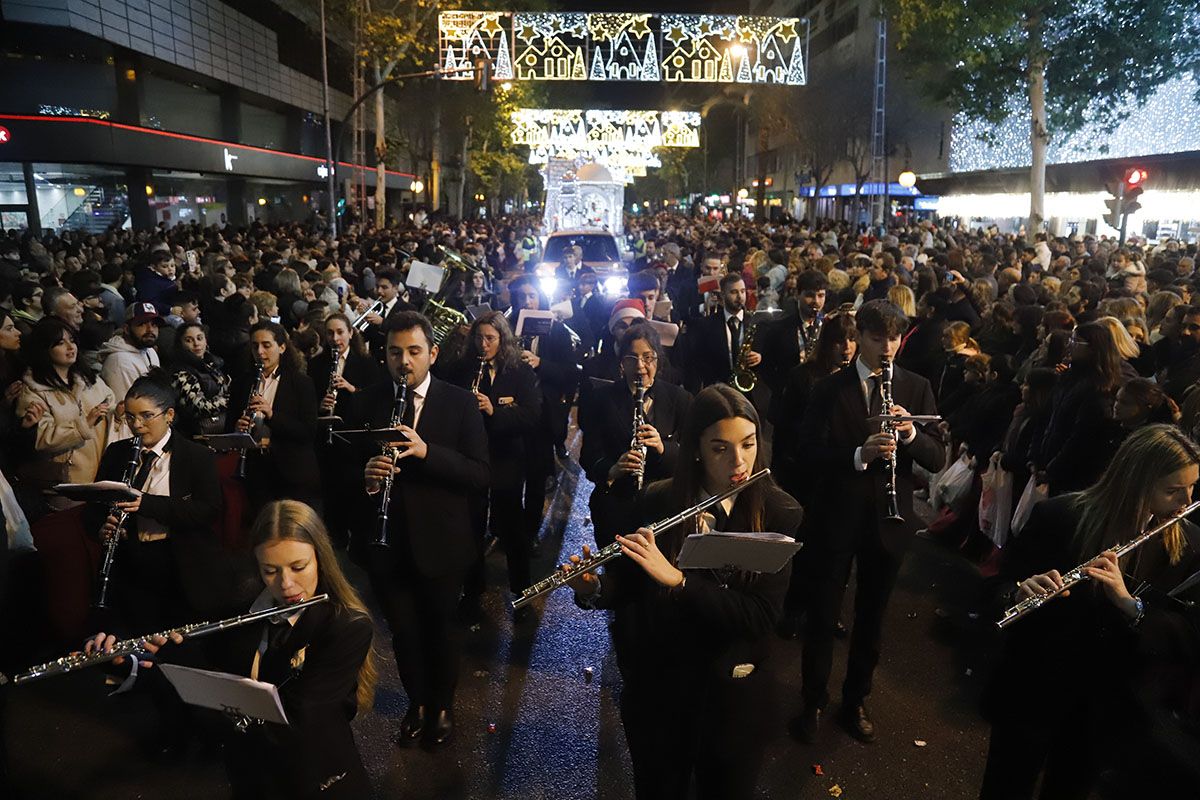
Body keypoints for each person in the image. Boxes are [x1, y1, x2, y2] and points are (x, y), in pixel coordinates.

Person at [565, 384, 802, 800]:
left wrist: (680, 582)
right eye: (720, 448)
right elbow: (630, 582)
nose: (739, 461)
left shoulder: (779, 511)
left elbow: (761, 616)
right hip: (662, 688)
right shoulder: (658, 500)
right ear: (695, 450)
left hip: (732, 693)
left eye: (748, 445)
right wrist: (594, 587)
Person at [86, 500, 377, 799]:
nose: (286, 584)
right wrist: (134, 663)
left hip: (315, 774)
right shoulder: (244, 606)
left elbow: (292, 719)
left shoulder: (346, 626)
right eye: (270, 570)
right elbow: (206, 676)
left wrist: (200, 685)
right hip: (250, 772)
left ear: (320, 558)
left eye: (298, 567)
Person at [981, 425, 1200, 799]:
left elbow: (1186, 631)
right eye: (1172, 489)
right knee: (1006, 786)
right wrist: (1018, 592)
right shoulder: (1060, 515)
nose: (1186, 500)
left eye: (1192, 487)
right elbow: (997, 586)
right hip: (1036, 687)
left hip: (1107, 705)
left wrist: (1131, 605)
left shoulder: (1189, 542)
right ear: (1135, 481)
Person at [794, 299, 945, 744]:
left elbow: (937, 458)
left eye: (894, 338)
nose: (887, 348)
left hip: (889, 520)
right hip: (835, 517)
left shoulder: (916, 388)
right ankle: (812, 700)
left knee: (872, 619)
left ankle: (855, 698)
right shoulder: (828, 389)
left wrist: (912, 434)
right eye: (877, 338)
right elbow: (805, 456)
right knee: (823, 615)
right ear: (859, 336)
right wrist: (859, 454)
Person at [356, 311, 489, 749]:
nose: (404, 361)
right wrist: (367, 479)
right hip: (387, 542)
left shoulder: (459, 402)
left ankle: (442, 705)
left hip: (442, 543)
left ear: (431, 353)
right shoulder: (369, 400)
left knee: (440, 628)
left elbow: (478, 473)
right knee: (404, 632)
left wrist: (428, 452)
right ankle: (416, 702)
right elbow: (341, 472)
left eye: (414, 351)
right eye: (395, 352)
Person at [85, 373, 225, 628]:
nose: (136, 424)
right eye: (130, 416)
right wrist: (102, 527)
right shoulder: (117, 453)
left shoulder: (197, 456)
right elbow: (93, 509)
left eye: (146, 416)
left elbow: (209, 510)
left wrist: (147, 504)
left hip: (179, 563)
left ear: (169, 415)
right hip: (130, 564)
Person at [449, 311, 540, 614]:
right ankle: (472, 593)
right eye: (478, 337)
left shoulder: (520, 372)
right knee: (472, 527)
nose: (483, 344)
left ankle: (523, 592)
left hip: (506, 459)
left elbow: (531, 416)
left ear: (502, 340)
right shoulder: (462, 370)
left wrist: (493, 411)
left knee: (513, 530)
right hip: (472, 457)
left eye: (490, 338)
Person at [580, 324, 692, 547]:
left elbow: (693, 456)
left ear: (658, 360)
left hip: (664, 507)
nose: (640, 366)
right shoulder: (602, 399)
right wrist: (613, 469)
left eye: (647, 357)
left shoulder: (680, 398)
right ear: (622, 363)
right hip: (616, 507)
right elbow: (588, 456)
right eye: (632, 358)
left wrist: (663, 448)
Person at [16, 318, 115, 506]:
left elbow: (109, 399)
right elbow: (41, 439)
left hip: (99, 472)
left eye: (72, 340)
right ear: (45, 349)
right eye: (60, 343)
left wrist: (114, 408)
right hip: (65, 484)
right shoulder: (33, 392)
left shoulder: (85, 378)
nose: (71, 347)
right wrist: (85, 424)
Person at [228, 321, 320, 515]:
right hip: (256, 471)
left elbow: (308, 431)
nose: (260, 352)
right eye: (255, 346)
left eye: (266, 345)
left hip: (292, 471)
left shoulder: (301, 383)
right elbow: (229, 426)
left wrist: (271, 415)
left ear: (282, 347)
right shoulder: (242, 383)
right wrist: (237, 427)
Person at [100, 302, 163, 440]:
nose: (150, 329)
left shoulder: (149, 351)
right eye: (142, 324)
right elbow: (125, 413)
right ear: (127, 329)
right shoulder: (119, 360)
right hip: (130, 433)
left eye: (154, 324)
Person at [170, 321, 230, 438]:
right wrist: (228, 401)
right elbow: (199, 407)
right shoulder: (180, 372)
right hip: (194, 435)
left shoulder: (212, 365)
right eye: (189, 340)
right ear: (180, 344)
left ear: (206, 341)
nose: (196, 343)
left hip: (218, 430)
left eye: (199, 338)